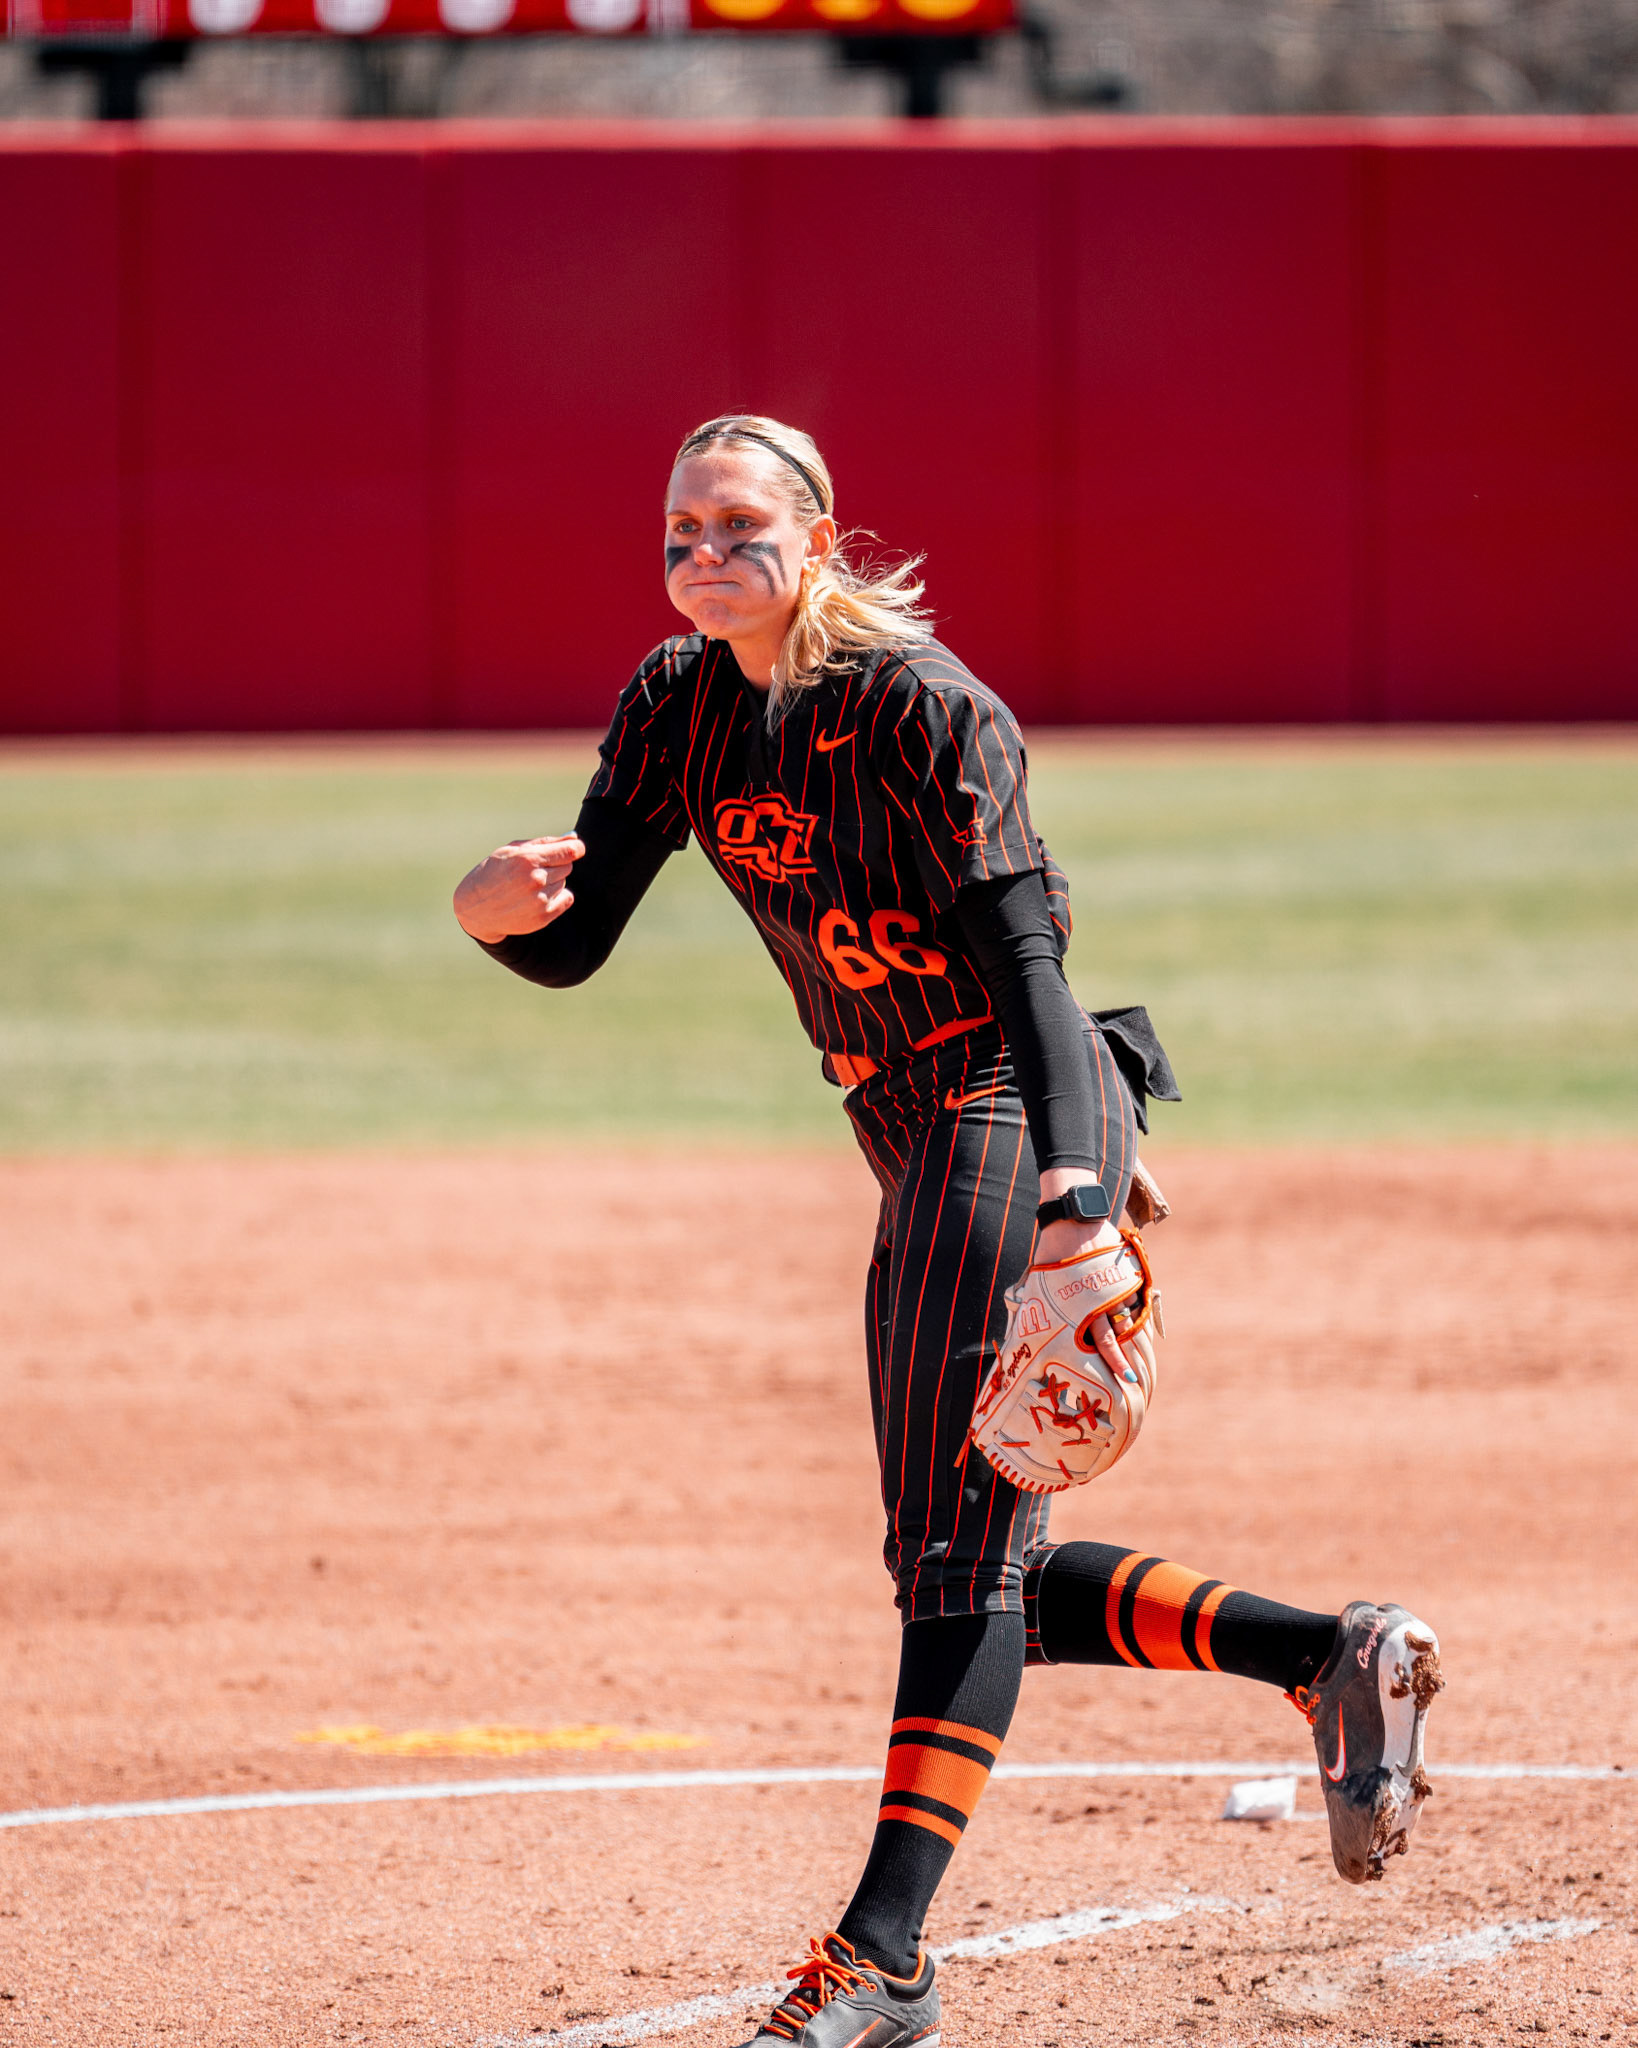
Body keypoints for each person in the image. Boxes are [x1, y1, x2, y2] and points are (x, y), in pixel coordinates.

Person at [452, 414, 1444, 2048]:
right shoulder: (675, 702)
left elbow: (1033, 978)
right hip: (903, 1124)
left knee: (957, 1562)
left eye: (741, 526)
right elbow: (573, 948)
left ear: (821, 535)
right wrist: (491, 919)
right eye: (679, 530)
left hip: (1002, 1100)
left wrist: (1074, 1205)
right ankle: (1326, 1655)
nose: (705, 555)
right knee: (968, 1564)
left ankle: (884, 1954)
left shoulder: (923, 708)